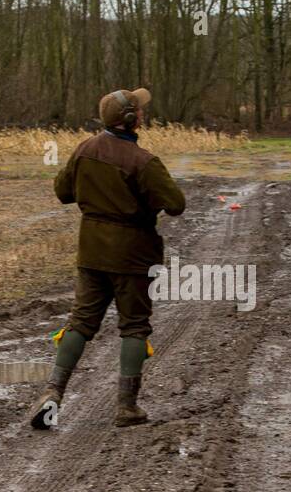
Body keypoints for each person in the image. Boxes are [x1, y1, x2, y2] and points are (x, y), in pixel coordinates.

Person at [29, 87, 186, 429]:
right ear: (130, 119)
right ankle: (126, 407)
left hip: (92, 251)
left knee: (81, 322)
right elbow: (176, 204)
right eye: (140, 111)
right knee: (134, 326)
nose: (144, 114)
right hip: (132, 255)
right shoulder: (143, 161)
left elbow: (62, 192)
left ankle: (53, 392)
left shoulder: (85, 150)